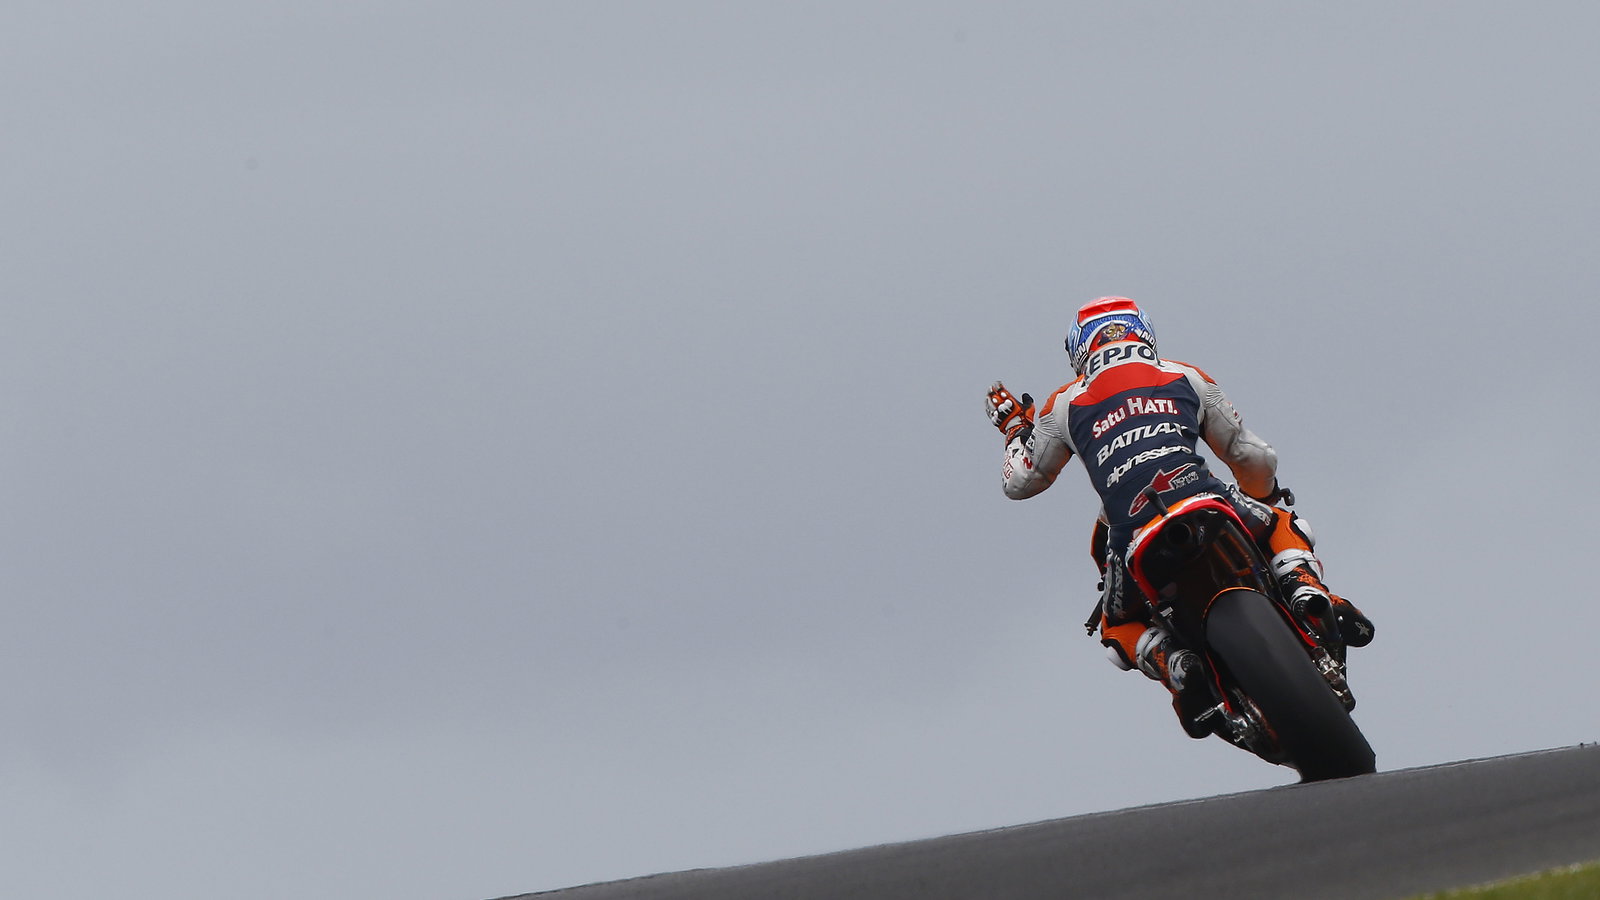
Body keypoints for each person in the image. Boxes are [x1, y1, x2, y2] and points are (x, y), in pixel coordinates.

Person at [984, 296, 1373, 735]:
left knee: (1117, 627)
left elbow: (1020, 483)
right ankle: (1305, 588)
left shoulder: (1064, 404)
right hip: (1203, 498)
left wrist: (1017, 431)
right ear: (1143, 333)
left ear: (1079, 351)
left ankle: (1175, 664)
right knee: (1285, 524)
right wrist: (1261, 497)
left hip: (1130, 532)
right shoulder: (1184, 375)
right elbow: (1252, 455)